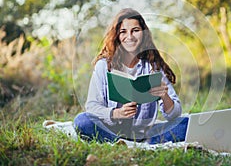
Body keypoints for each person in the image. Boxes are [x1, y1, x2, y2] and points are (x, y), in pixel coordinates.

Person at [74, 8, 188, 144]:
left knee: (186, 123)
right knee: (82, 121)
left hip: (145, 133)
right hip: (110, 130)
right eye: (123, 32)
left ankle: (128, 144)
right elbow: (92, 107)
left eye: (135, 30)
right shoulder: (104, 65)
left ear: (143, 33)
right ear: (116, 36)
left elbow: (175, 115)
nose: (130, 36)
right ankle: (122, 142)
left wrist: (165, 96)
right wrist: (116, 113)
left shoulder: (153, 67)